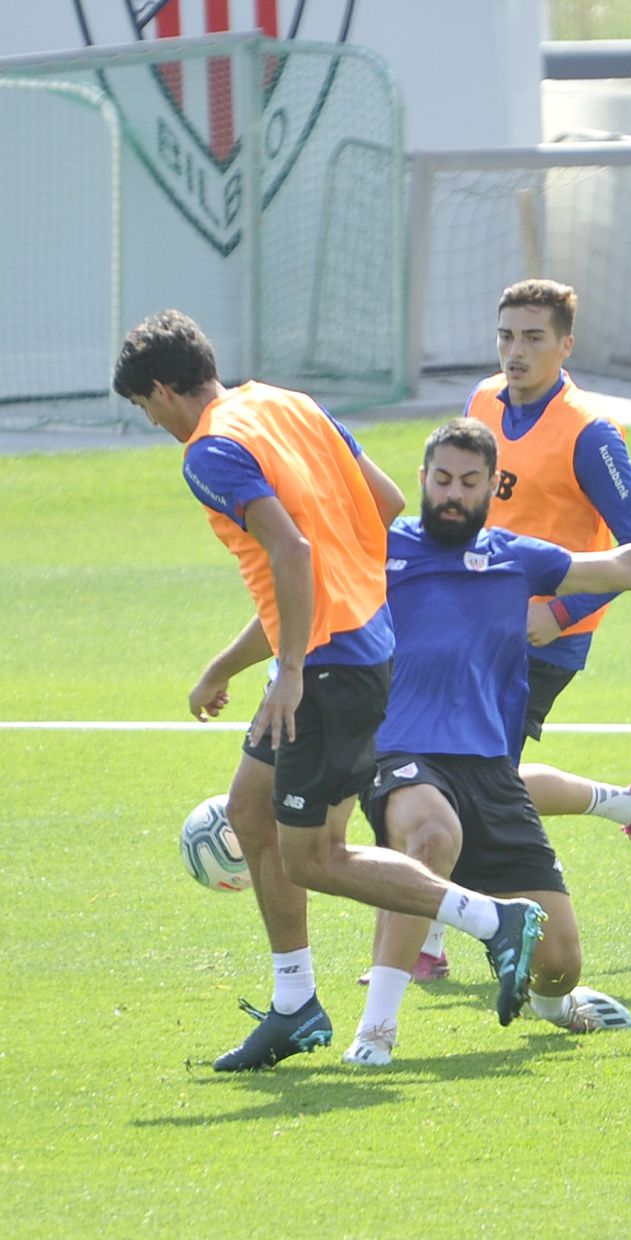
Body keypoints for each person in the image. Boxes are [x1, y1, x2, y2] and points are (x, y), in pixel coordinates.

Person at [112, 310, 553, 1070]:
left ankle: (493, 921)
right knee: (252, 812)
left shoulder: (209, 451)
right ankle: (295, 1006)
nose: (151, 420)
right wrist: (235, 663)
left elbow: (289, 546)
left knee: (314, 857)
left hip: (323, 670)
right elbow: (382, 505)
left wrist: (288, 670)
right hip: (349, 649)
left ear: (160, 389)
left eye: (144, 406)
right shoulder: (287, 403)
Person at [345, 418, 631, 1066]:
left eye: (468, 481)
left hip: (491, 771)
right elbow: (309, 595)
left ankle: (549, 1003)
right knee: (427, 837)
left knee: (560, 965)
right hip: (404, 754)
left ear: (490, 488)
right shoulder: (384, 551)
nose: (452, 493)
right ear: (423, 481)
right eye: (441, 479)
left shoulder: (517, 557)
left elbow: (623, 562)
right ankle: (375, 1034)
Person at [404, 277, 631, 981]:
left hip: (541, 640)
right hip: (470, 629)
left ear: (565, 345)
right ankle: (629, 804)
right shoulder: (484, 401)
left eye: (532, 338)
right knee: (483, 777)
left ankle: (428, 944)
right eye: (505, 336)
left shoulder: (590, 434)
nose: (514, 352)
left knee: (461, 781)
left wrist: (559, 613)